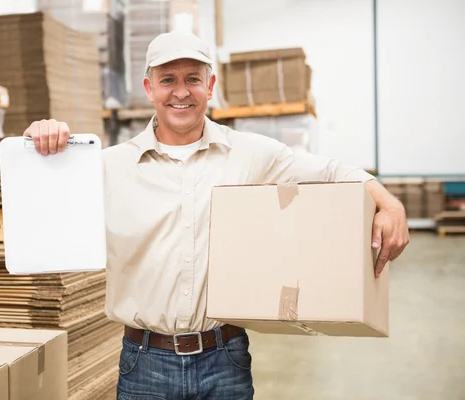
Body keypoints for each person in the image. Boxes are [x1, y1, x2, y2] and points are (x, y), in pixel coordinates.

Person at [23, 31, 409, 399]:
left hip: (225, 357)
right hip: (144, 363)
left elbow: (331, 172)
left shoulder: (249, 154)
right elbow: (39, 205)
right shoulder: (108, 166)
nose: (180, 92)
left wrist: (390, 204)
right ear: (149, 88)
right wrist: (43, 142)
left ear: (210, 86)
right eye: (167, 79)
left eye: (193, 79)